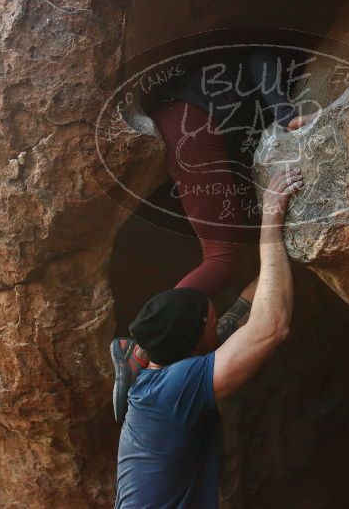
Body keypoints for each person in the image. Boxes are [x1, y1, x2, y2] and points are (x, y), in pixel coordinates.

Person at [110, 50, 318, 422]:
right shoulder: (275, 57)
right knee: (221, 257)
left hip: (188, 125)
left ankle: (175, 340)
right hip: (192, 128)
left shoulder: (223, 80)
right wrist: (287, 116)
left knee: (232, 254)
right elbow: (261, 58)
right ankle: (141, 348)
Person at [112, 168, 303, 508]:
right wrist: (271, 226)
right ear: (195, 341)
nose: (220, 324)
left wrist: (292, 256)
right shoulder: (174, 389)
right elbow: (272, 326)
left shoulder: (170, 367)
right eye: (211, 323)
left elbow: (243, 310)